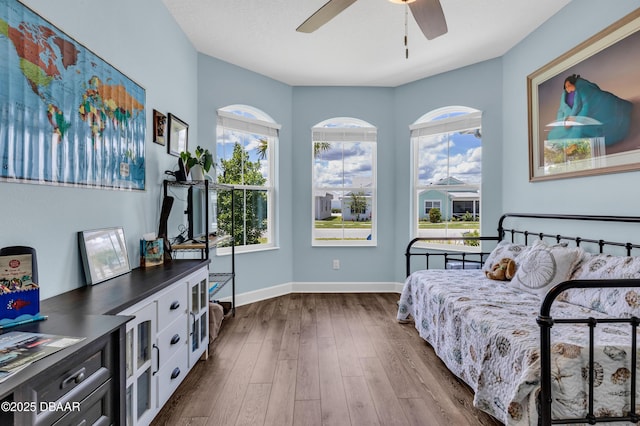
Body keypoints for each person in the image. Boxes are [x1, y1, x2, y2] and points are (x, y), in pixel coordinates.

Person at [548, 74, 632, 146]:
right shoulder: (564, 95)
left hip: (583, 116)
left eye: (569, 85)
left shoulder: (582, 89)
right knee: (554, 135)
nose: (568, 88)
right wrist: (561, 122)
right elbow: (561, 110)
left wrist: (574, 119)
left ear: (574, 83)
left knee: (580, 132)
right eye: (566, 87)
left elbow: (582, 106)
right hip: (568, 121)